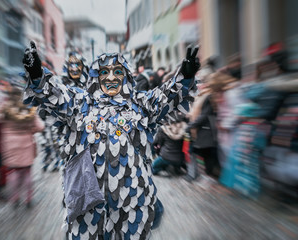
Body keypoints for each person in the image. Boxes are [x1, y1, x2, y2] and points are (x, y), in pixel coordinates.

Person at [22, 41, 200, 239]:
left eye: (117, 72)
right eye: (104, 72)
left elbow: (166, 97)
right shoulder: (80, 103)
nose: (111, 77)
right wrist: (37, 74)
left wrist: (185, 76)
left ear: (125, 75)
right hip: (87, 203)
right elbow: (53, 96)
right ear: (96, 77)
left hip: (132, 200)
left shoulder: (140, 104)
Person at [0, 87, 44, 207]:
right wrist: (31, 130)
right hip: (27, 142)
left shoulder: (6, 108)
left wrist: (1, 110)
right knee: (27, 172)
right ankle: (28, 198)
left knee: (13, 172)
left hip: (10, 144)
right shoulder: (29, 108)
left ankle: (14, 198)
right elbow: (41, 127)